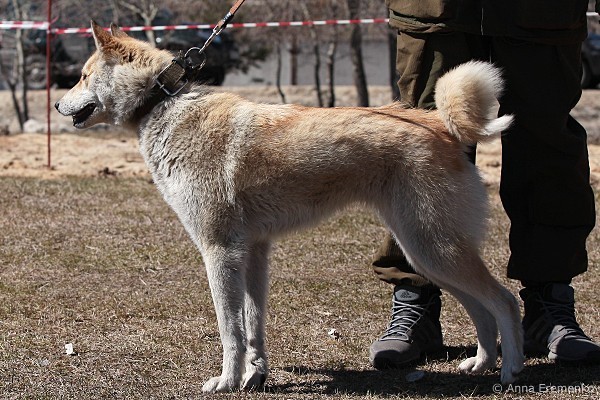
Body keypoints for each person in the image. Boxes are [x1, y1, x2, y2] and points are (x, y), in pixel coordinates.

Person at [370, 0, 600, 369]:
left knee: (549, 148)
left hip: (544, 12)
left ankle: (549, 302)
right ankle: (416, 299)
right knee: (418, 145)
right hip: (434, 9)